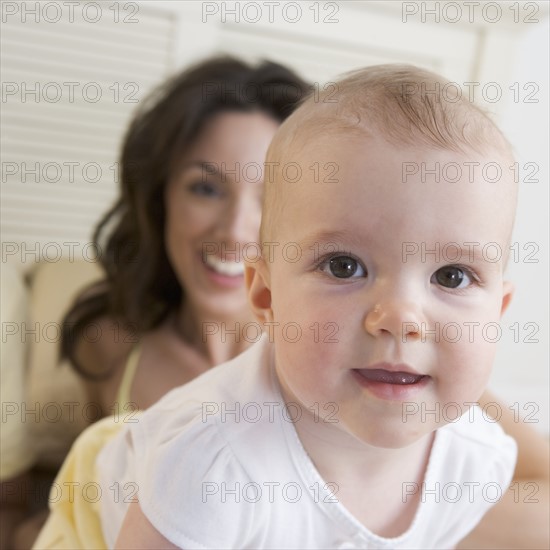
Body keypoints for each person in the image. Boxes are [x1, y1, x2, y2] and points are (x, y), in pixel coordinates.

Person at [103, 63, 535, 548]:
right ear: (266, 295)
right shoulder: (211, 466)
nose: (400, 318)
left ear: (497, 313)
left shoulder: (479, 458)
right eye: (344, 267)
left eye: (451, 276)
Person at [9, 56, 310, 549]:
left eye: (269, 198)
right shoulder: (108, 341)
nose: (234, 230)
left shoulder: (328, 355)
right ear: (160, 196)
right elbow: (87, 499)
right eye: (206, 188)